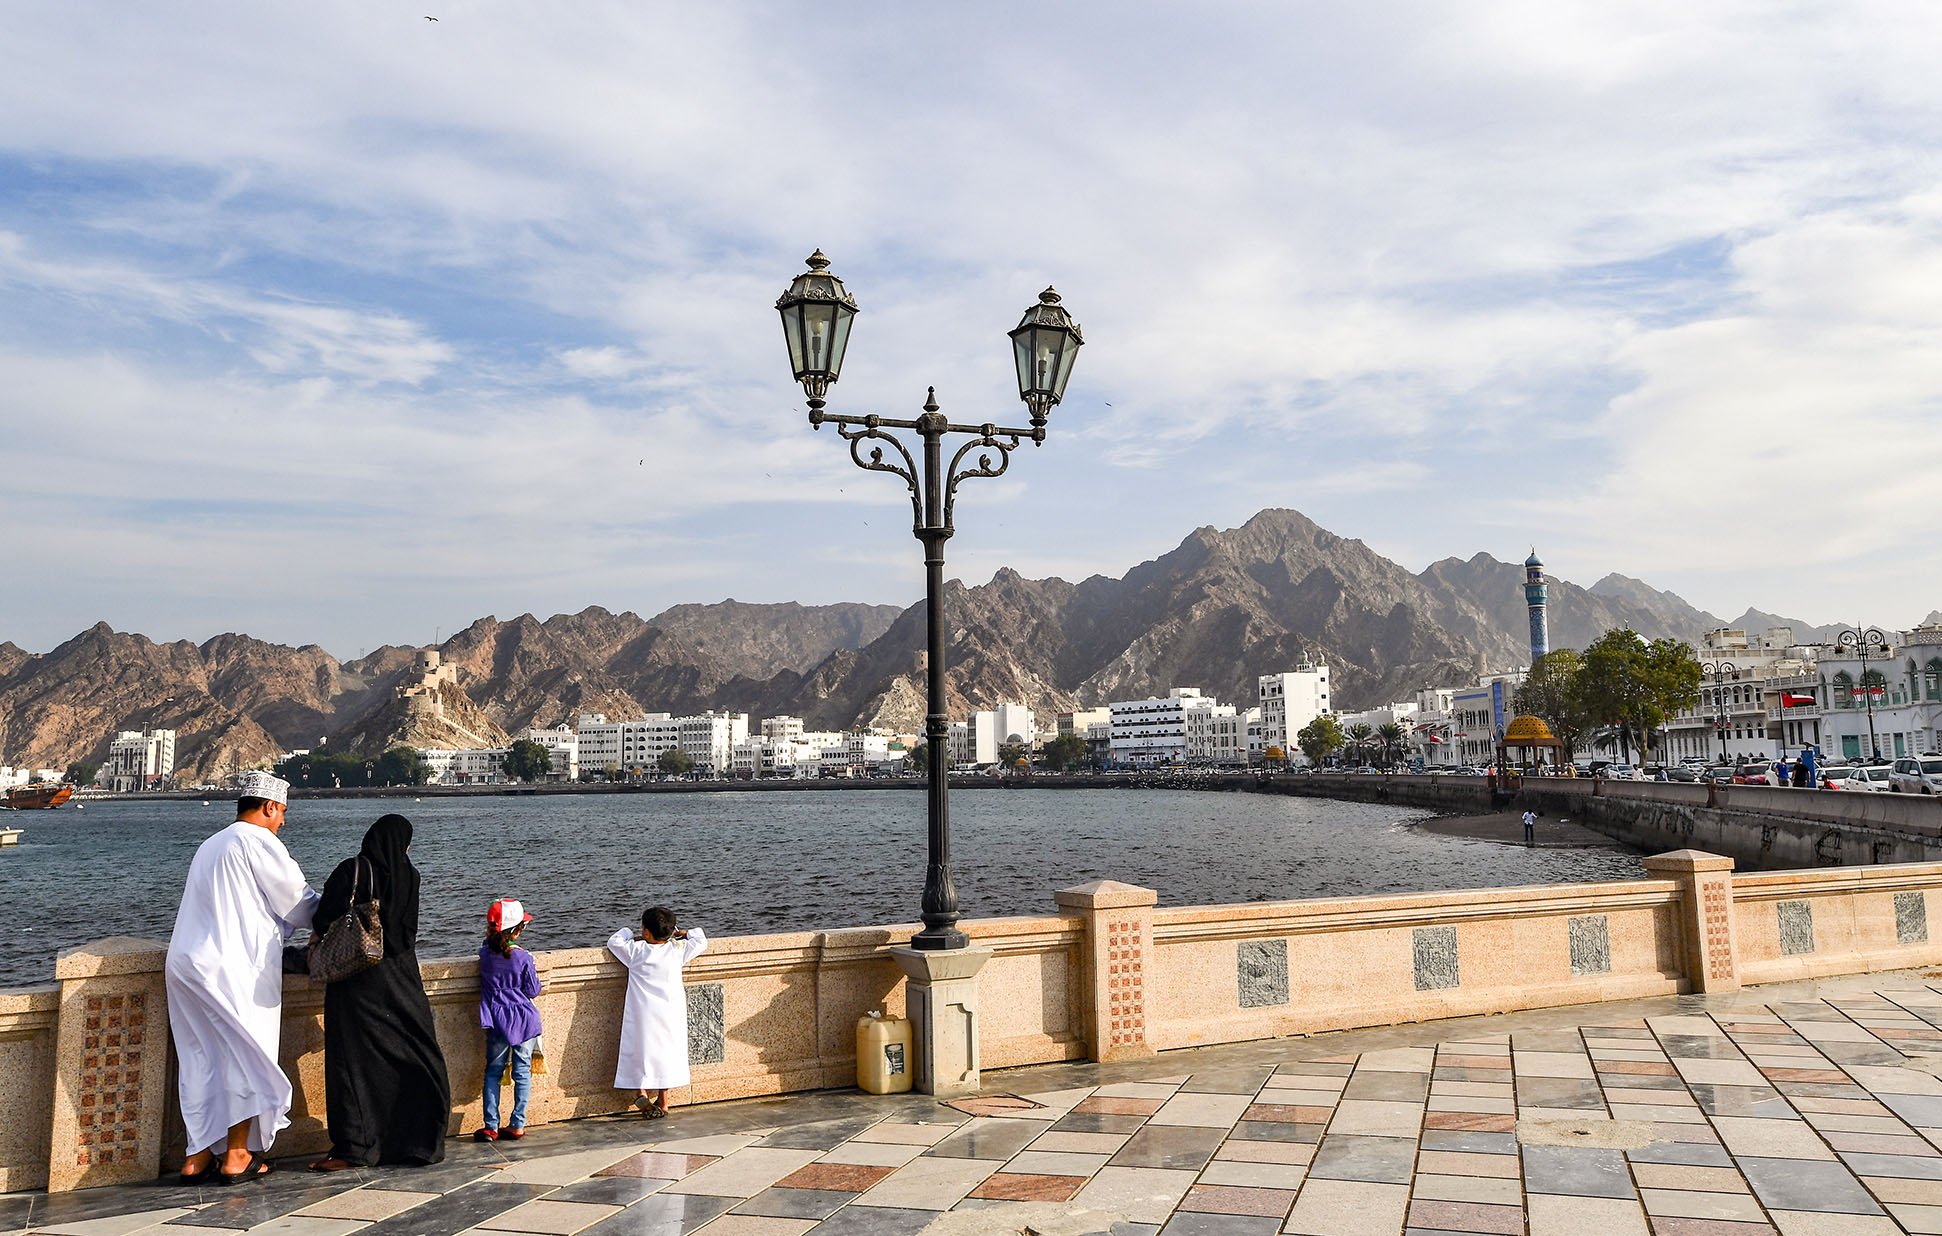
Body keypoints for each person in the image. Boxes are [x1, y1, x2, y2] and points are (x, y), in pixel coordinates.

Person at [166, 771, 319, 1186]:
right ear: (269, 806)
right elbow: (298, 903)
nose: (283, 821)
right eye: (282, 812)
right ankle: (236, 1155)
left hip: (185, 963)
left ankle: (196, 1156)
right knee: (245, 1057)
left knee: (200, 1058)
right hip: (232, 967)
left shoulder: (211, 844)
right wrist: (338, 908)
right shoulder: (259, 842)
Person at [309, 814, 450, 1171]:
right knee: (414, 1050)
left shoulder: (353, 870)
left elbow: (324, 918)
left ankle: (355, 1148)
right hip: (401, 976)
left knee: (352, 1061)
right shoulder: (411, 876)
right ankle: (418, 1140)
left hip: (357, 976)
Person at [609, 906, 708, 1118]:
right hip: (670, 1012)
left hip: (642, 1013)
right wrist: (685, 933)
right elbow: (701, 940)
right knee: (666, 1053)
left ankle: (641, 1092)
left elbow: (614, 941)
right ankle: (664, 1101)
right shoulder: (677, 951)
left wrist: (629, 933)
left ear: (646, 932)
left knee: (639, 1050)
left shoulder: (635, 951)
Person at [476, 897, 543, 1142]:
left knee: (493, 1071)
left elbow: (489, 947)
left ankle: (491, 1126)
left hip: (497, 1019)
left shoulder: (485, 954)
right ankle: (517, 1124)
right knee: (522, 1071)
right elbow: (533, 990)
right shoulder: (523, 957)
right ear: (517, 930)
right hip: (524, 1020)